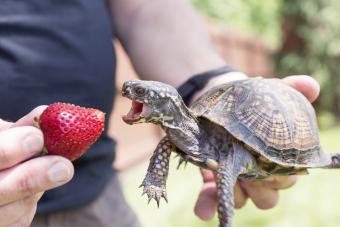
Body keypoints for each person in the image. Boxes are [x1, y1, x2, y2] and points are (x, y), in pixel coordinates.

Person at [0, 0, 320, 226]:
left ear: (164, 103)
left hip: (96, 192)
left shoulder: (182, 131)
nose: (129, 91)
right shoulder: (175, 131)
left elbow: (143, 6)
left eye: (140, 93)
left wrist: (208, 81)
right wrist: (156, 178)